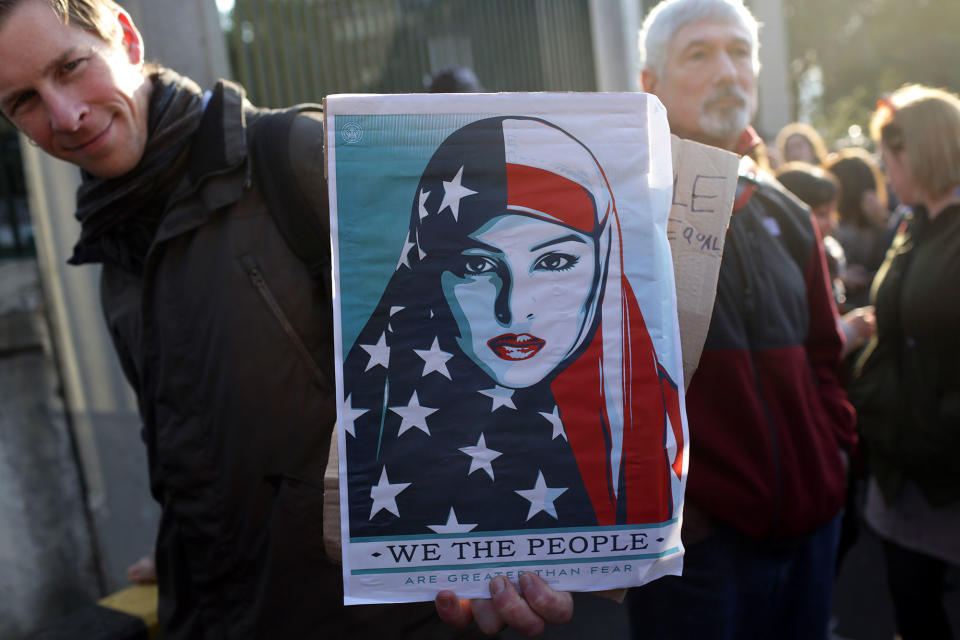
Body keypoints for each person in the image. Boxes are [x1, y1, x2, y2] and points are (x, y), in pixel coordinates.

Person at [0, 0, 573, 637]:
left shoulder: (293, 159)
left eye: (72, 67)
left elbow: (485, 369)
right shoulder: (118, 247)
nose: (64, 115)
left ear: (128, 41)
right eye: (22, 100)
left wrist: (514, 550)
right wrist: (188, 553)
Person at [627, 1, 856, 638]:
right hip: (697, 555)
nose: (729, 70)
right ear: (651, 85)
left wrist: (833, 455)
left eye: (740, 52)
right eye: (700, 54)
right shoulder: (621, 213)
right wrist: (671, 505)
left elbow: (823, 357)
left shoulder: (787, 208)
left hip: (812, 533)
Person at [344, 116, 685, 537]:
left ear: (603, 264)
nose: (514, 308)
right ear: (429, 269)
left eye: (555, 262)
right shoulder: (375, 414)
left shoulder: (645, 409)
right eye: (477, 265)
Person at [849, 83, 960, 640]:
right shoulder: (914, 224)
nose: (882, 169)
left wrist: (940, 424)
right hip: (905, 468)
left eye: (889, 156)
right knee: (913, 611)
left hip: (945, 469)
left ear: (921, 151)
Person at [776, 161, 876, 358]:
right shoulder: (785, 271)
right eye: (822, 214)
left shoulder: (830, 255)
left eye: (833, 213)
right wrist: (849, 329)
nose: (832, 223)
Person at [824, 147, 890, 310]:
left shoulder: (879, 219)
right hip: (842, 304)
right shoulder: (829, 222)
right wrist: (842, 277)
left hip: (873, 300)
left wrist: (883, 220)